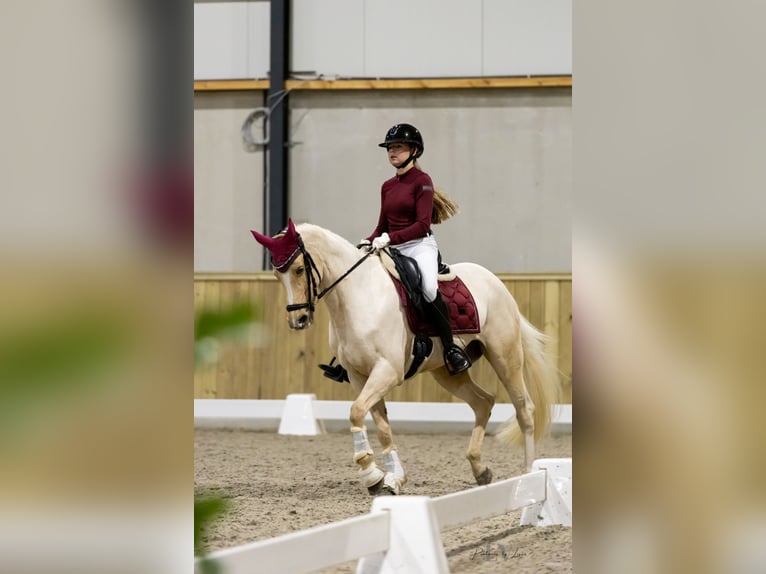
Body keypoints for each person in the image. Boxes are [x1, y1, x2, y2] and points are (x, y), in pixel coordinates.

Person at [361, 123, 471, 375]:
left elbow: (422, 225)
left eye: (398, 147)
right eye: (389, 147)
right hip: (392, 245)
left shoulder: (422, 181)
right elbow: (381, 225)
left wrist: (389, 238)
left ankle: (450, 347)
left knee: (429, 288)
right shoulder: (387, 186)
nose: (392, 152)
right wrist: (369, 240)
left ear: (414, 150)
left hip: (418, 246)